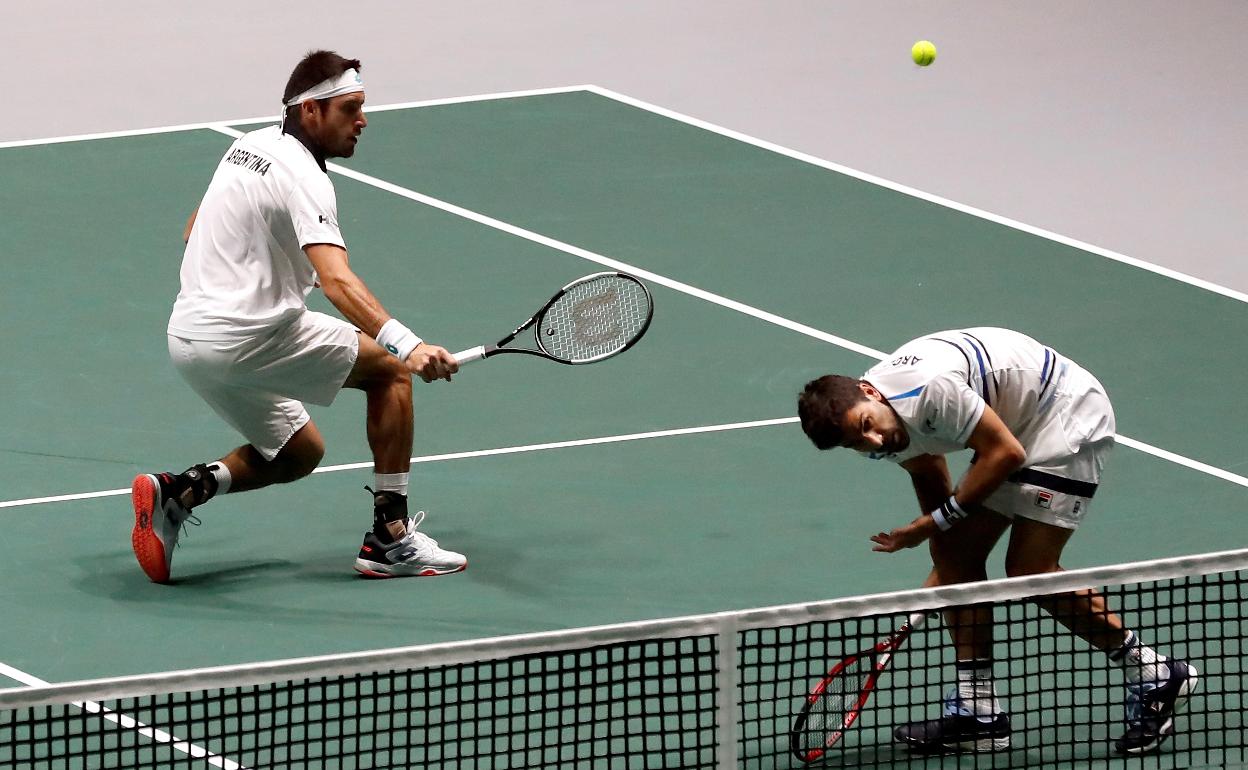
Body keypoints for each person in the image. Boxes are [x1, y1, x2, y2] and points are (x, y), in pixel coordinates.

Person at [132, 50, 467, 584]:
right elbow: (336, 280)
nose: (363, 120)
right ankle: (390, 538)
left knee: (298, 452)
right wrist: (410, 345)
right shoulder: (306, 179)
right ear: (311, 111)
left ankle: (180, 491)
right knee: (391, 370)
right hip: (249, 337)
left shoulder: (248, 147)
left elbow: (194, 226)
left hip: (189, 339)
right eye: (350, 109)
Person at [796, 327, 1197, 755]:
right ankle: (979, 713)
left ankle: (1153, 672)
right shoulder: (874, 434)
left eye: (867, 426)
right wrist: (946, 557)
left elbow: (1005, 454)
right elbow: (928, 471)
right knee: (957, 557)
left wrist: (928, 527)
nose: (872, 441)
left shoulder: (930, 390)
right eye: (856, 442)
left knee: (1029, 570)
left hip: (1060, 412)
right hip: (1009, 425)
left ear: (868, 392)